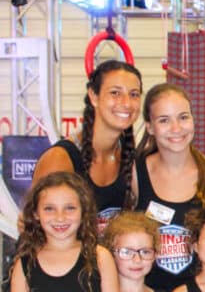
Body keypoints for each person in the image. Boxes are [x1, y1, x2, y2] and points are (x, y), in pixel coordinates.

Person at [131, 83, 205, 292]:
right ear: (150, 127)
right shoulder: (135, 172)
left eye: (183, 117)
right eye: (164, 120)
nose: (176, 128)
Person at [31, 60, 142, 227]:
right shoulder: (59, 159)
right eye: (115, 93)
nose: (126, 103)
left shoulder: (131, 157)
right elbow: (34, 230)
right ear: (93, 96)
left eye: (134, 94)